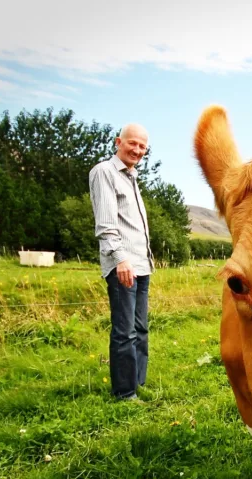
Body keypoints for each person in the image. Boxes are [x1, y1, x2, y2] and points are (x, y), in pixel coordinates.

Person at [89, 123, 156, 400]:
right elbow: (106, 225)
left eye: (142, 146)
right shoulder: (105, 172)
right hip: (123, 266)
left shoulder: (132, 176)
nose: (137, 150)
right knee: (124, 331)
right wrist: (120, 260)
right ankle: (125, 393)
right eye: (133, 143)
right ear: (119, 141)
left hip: (141, 265)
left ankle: (137, 382)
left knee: (140, 328)